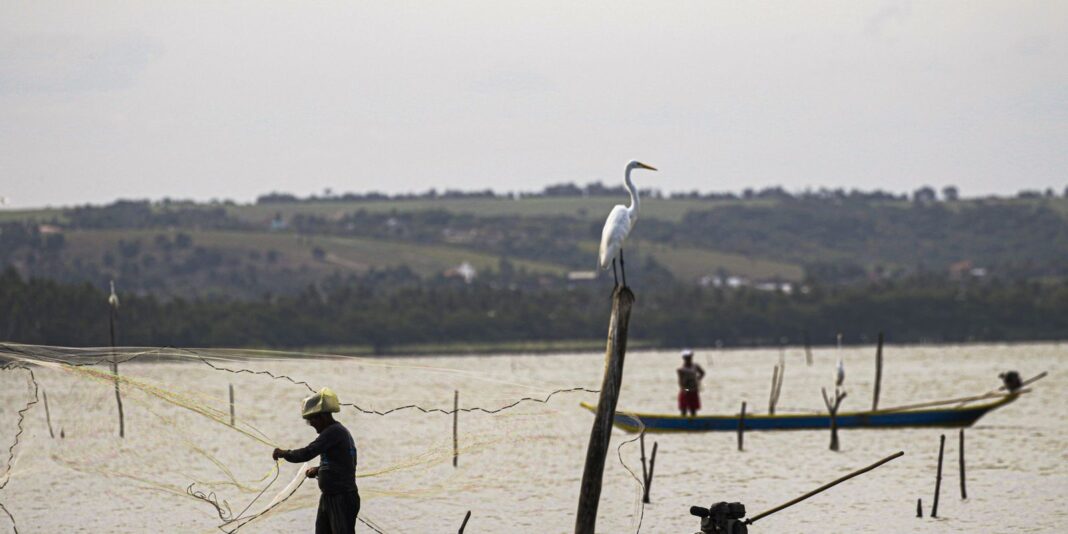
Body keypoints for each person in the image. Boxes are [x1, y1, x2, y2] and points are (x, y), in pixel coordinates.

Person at [272, 387, 359, 534]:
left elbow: (307, 453)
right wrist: (318, 470)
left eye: (312, 419)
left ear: (323, 416)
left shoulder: (333, 432)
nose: (311, 423)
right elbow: (342, 463)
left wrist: (285, 453)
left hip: (341, 497)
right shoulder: (334, 433)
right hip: (329, 497)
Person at [677, 349, 705, 417]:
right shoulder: (681, 370)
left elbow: (702, 373)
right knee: (683, 410)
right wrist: (686, 390)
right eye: (687, 358)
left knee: (693, 410)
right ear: (684, 358)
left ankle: (693, 422)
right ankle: (683, 422)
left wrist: (698, 379)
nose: (689, 359)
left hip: (694, 390)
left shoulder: (695, 366)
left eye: (690, 357)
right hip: (685, 391)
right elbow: (680, 383)